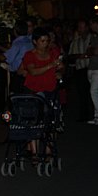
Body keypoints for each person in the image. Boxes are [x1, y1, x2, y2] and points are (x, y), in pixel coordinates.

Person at [21, 26, 65, 160]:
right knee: (33, 121)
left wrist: (59, 71)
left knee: (51, 121)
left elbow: (61, 67)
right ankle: (34, 153)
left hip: (50, 90)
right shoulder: (29, 55)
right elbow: (33, 71)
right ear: (35, 41)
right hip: (34, 91)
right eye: (42, 41)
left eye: (47, 41)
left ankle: (48, 151)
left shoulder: (53, 53)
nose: (45, 44)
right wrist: (50, 65)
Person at [67, 19, 92, 122]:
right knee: (82, 93)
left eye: (82, 27)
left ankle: (94, 114)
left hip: (92, 69)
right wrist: (80, 56)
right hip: (80, 69)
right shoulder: (76, 41)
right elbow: (70, 56)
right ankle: (84, 114)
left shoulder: (93, 39)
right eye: (79, 27)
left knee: (93, 92)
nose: (80, 29)